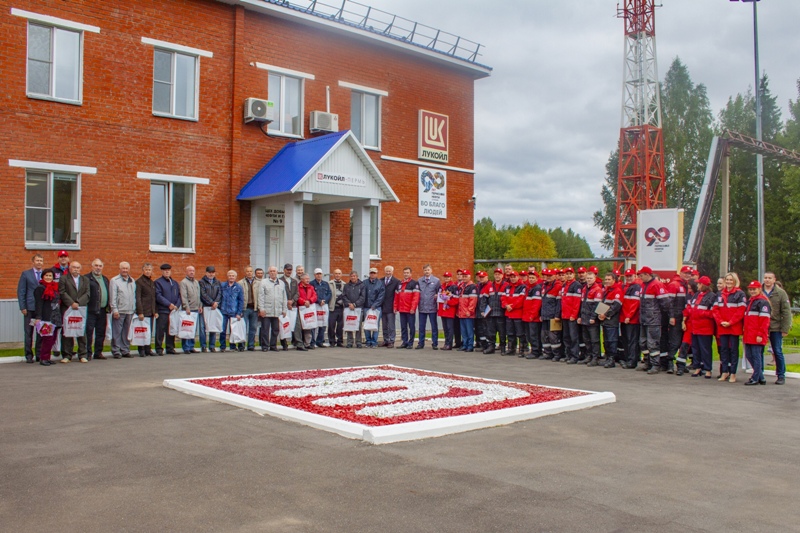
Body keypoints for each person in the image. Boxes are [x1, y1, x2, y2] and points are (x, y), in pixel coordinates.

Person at [712, 272, 745, 383]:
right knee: (724, 350)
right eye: (727, 280)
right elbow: (715, 309)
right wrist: (721, 322)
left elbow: (741, 311)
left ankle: (733, 373)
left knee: (734, 350)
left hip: (734, 327)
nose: (729, 282)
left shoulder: (740, 294)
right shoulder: (720, 294)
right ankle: (724, 371)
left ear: (735, 281)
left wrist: (730, 322)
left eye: (731, 280)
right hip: (722, 327)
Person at [636, 266, 669, 374]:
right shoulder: (643, 285)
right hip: (644, 318)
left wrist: (662, 317)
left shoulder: (657, 285)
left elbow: (665, 303)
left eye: (641, 275)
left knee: (653, 343)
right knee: (643, 342)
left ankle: (655, 364)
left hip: (653, 319)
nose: (640, 277)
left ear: (647, 274)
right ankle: (647, 362)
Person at [58, 261, 90, 363]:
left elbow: (87, 293)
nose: (75, 269)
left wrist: (78, 302)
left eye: (77, 267)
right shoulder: (64, 278)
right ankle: (67, 355)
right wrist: (71, 303)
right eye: (73, 267)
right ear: (70, 268)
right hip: (68, 308)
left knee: (81, 330)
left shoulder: (85, 279)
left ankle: (82, 354)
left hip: (80, 309)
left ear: (80, 269)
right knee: (68, 330)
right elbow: (62, 292)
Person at [763, 272, 792, 385]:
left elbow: (786, 312)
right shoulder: (758, 291)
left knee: (777, 351)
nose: (767, 280)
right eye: (765, 278)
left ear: (774, 279)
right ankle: (758, 374)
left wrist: (785, 328)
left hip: (776, 327)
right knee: (758, 351)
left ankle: (781, 375)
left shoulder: (781, 293)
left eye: (770, 278)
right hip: (762, 326)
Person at [662, 266, 691, 373]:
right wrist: (672, 316)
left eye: (689, 273)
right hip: (677, 317)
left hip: (686, 318)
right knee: (674, 342)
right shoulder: (674, 285)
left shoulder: (688, 285)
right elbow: (670, 303)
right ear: (681, 273)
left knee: (684, 343)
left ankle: (681, 365)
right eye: (686, 273)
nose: (688, 275)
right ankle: (670, 363)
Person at [686, 276, 716, 379]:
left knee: (705, 349)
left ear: (703, 285)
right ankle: (697, 367)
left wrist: (701, 313)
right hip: (695, 326)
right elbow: (690, 307)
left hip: (705, 328)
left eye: (699, 284)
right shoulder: (696, 295)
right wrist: (691, 312)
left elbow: (713, 312)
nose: (697, 285)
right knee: (696, 348)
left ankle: (708, 369)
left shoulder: (712, 296)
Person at [17, 254, 44, 363]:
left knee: (40, 332)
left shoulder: (45, 274)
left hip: (41, 308)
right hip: (29, 308)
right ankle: (28, 355)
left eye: (41, 261)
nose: (39, 262)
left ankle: (39, 354)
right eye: (37, 260)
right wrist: (22, 307)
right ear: (33, 262)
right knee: (28, 332)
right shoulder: (26, 274)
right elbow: (21, 291)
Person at [743, 280, 771, 386]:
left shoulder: (762, 302)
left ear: (759, 289)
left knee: (756, 356)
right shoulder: (751, 301)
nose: (752, 291)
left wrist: (760, 334)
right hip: (749, 333)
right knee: (749, 355)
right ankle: (761, 377)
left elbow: (765, 321)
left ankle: (755, 378)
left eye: (754, 289)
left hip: (757, 334)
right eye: (750, 289)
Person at [33, 269, 62, 366]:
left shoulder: (55, 287)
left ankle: (48, 357)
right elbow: (39, 304)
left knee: (53, 339)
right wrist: (38, 317)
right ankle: (43, 358)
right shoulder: (40, 288)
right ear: (43, 277)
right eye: (47, 275)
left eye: (50, 276)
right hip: (46, 316)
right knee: (47, 339)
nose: (49, 277)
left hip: (55, 316)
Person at [109, 261, 136, 359]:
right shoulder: (114, 280)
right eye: (123, 268)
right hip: (119, 311)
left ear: (129, 269)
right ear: (119, 269)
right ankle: (116, 350)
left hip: (130, 310)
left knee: (126, 332)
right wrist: (114, 309)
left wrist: (134, 308)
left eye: (126, 268)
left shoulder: (132, 280)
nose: (125, 270)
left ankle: (125, 350)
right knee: (117, 332)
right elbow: (113, 296)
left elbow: (133, 296)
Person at [258, 266, 288, 351]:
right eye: (270, 271)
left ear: (277, 272)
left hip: (277, 310)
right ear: (268, 273)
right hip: (267, 310)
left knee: (275, 329)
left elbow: (284, 297)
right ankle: (265, 346)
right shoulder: (264, 282)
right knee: (265, 329)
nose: (272, 272)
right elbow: (261, 296)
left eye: (274, 271)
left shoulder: (281, 283)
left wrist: (284, 309)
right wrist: (261, 309)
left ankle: (273, 345)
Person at [85, 259, 110, 360]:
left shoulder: (105, 279)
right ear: (92, 266)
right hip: (90, 310)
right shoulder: (86, 278)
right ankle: (87, 353)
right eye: (96, 265)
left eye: (100, 266)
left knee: (101, 332)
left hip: (103, 310)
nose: (98, 268)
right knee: (89, 332)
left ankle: (98, 352)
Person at [578, 269, 603, 366]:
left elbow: (597, 305)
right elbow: (582, 304)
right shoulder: (584, 289)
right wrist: (580, 316)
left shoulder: (597, 289)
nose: (589, 279)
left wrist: (593, 317)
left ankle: (595, 358)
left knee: (594, 340)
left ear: (595, 278)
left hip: (592, 320)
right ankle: (589, 356)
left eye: (590, 278)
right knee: (586, 339)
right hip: (584, 318)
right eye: (587, 278)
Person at [154, 264, 181, 355]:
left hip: (173, 311)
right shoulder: (158, 282)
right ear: (162, 271)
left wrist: (177, 305)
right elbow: (158, 296)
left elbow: (179, 296)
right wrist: (168, 304)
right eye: (165, 270)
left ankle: (170, 348)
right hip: (163, 310)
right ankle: (159, 348)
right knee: (160, 330)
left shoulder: (175, 283)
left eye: (168, 270)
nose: (167, 272)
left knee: (171, 330)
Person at [598, 272, 623, 368]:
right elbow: (603, 304)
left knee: (611, 340)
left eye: (609, 279)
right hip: (605, 320)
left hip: (612, 320)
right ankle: (608, 358)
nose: (607, 281)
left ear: (614, 280)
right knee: (606, 340)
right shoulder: (607, 290)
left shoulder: (617, 291)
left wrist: (605, 314)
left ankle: (611, 359)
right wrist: (600, 314)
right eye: (606, 279)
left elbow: (616, 306)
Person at [619, 269, 642, 369]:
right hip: (624, 318)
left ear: (634, 276)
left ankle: (632, 361)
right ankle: (629, 358)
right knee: (626, 340)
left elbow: (635, 304)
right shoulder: (625, 287)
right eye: (627, 276)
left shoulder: (636, 287)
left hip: (632, 319)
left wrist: (629, 316)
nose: (628, 278)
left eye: (630, 276)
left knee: (632, 340)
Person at [482, 268, 507, 355]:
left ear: (502, 275)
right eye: (496, 274)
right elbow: (484, 299)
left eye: (499, 274)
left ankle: (503, 348)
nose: (497, 276)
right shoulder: (489, 286)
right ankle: (491, 347)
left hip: (501, 313)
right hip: (491, 313)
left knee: (502, 332)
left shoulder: (506, 285)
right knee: (491, 332)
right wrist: (483, 310)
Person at [134, 263, 157, 357]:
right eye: (146, 269)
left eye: (149, 270)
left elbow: (153, 298)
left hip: (150, 311)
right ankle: (141, 349)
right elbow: (138, 298)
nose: (148, 271)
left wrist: (155, 311)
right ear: (143, 270)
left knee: (149, 331)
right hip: (143, 311)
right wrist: (140, 312)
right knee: (142, 331)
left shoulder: (152, 282)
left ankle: (148, 348)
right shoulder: (139, 282)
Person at [560, 267, 583, 364]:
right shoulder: (564, 285)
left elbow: (577, 302)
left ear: (573, 275)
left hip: (571, 316)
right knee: (566, 336)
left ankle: (574, 356)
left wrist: (574, 315)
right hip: (565, 315)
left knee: (573, 337)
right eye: (567, 273)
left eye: (570, 273)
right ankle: (568, 355)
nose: (568, 275)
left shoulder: (576, 285)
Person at [416, 265, 441, 350]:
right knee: (421, 326)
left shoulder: (436, 281)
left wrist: (437, 296)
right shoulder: (419, 280)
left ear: (431, 271)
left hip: (432, 307)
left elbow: (439, 292)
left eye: (428, 270)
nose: (427, 271)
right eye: (425, 270)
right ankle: (421, 343)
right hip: (422, 307)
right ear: (423, 271)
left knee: (434, 326)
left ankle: (435, 343)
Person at [541, 269, 563, 361]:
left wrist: (557, 315)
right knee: (544, 335)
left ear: (555, 276)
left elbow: (559, 303)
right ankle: (548, 353)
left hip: (553, 316)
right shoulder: (545, 286)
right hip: (545, 314)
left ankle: (557, 354)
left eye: (550, 275)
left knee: (553, 336)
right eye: (547, 275)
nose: (548, 277)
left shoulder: (558, 286)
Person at [501, 271, 525, 356]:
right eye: (511, 277)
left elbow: (521, 299)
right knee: (510, 332)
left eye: (514, 276)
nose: (512, 278)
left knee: (520, 333)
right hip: (509, 313)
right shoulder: (507, 287)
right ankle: (511, 348)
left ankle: (522, 349)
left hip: (518, 313)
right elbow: (503, 298)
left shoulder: (522, 287)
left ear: (518, 277)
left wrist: (512, 306)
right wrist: (506, 305)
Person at [395, 267, 420, 349]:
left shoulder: (414, 283)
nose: (406, 274)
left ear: (410, 274)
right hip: (402, 309)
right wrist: (395, 307)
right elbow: (396, 297)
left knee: (411, 326)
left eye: (407, 273)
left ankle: (411, 343)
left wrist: (413, 308)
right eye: (405, 272)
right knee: (403, 327)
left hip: (410, 310)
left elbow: (416, 297)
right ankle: (404, 342)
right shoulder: (400, 283)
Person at [220, 270, 245, 352]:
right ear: (227, 276)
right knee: (222, 330)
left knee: (233, 330)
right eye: (230, 275)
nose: (231, 277)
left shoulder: (238, 287)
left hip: (234, 312)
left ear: (235, 277)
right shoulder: (222, 285)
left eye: (233, 276)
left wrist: (239, 312)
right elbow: (219, 297)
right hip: (223, 311)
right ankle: (222, 346)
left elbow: (241, 301)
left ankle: (232, 346)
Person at [237, 266, 261, 351]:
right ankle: (241, 345)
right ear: (245, 272)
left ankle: (251, 345)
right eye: (247, 271)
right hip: (245, 308)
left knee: (253, 328)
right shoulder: (240, 283)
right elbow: (238, 297)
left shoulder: (259, 283)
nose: (249, 273)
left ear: (253, 272)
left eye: (250, 271)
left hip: (254, 309)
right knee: (243, 327)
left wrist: (259, 308)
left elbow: (260, 296)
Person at [199, 266, 222, 352]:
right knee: (203, 327)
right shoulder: (201, 282)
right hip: (205, 306)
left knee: (213, 327)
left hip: (214, 307)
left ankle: (212, 346)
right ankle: (203, 346)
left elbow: (220, 293)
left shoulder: (217, 282)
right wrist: (211, 302)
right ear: (206, 273)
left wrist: (216, 302)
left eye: (212, 272)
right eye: (209, 272)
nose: (211, 274)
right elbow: (203, 294)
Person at [179, 266, 202, 354]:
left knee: (193, 329)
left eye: (193, 270)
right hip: (188, 310)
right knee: (186, 328)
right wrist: (186, 307)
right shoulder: (183, 282)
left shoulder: (196, 282)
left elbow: (199, 295)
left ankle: (191, 346)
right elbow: (183, 296)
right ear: (186, 272)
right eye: (190, 271)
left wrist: (200, 306)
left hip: (196, 309)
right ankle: (186, 347)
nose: (192, 272)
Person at [521, 269, 543, 360]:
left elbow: (536, 304)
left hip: (533, 317)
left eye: (533, 278)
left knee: (534, 335)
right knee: (530, 335)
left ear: (537, 278)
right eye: (529, 277)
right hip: (527, 316)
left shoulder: (537, 288)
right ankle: (534, 350)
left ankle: (536, 351)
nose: (531, 279)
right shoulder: (528, 288)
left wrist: (532, 315)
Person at [343, 270, 366, 348]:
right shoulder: (346, 286)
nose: (353, 277)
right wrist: (349, 304)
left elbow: (363, 297)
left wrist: (355, 304)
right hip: (349, 308)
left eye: (354, 276)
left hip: (358, 308)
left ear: (357, 277)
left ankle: (358, 342)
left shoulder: (362, 285)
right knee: (349, 324)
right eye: (351, 276)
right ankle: (349, 342)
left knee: (358, 326)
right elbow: (344, 296)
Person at [364, 268, 385, 348]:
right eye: (371, 273)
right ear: (369, 273)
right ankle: (368, 341)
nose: (372, 274)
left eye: (374, 273)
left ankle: (374, 342)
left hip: (376, 308)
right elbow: (362, 294)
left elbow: (381, 296)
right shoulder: (365, 282)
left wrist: (374, 305)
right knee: (367, 325)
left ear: (377, 274)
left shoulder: (380, 283)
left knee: (375, 325)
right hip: (366, 307)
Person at [296, 273, 318, 350]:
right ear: (302, 279)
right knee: (300, 327)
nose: (308, 280)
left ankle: (307, 343)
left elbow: (315, 296)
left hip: (309, 308)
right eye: (306, 279)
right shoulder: (298, 287)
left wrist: (309, 301)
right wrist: (304, 302)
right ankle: (299, 343)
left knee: (308, 326)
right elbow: (297, 297)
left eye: (308, 278)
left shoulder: (311, 287)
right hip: (301, 309)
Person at [457, 269, 478, 352]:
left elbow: (473, 300)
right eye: (463, 276)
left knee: (469, 331)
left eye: (466, 276)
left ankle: (470, 345)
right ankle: (464, 345)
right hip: (462, 312)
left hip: (468, 313)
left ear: (469, 276)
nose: (464, 278)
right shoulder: (462, 286)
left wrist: (470, 311)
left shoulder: (472, 287)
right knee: (463, 331)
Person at [310, 268, 331, 348]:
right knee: (314, 324)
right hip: (315, 305)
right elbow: (312, 294)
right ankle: (313, 341)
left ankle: (320, 341)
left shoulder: (326, 284)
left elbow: (329, 293)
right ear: (314, 275)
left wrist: (324, 301)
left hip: (324, 306)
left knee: (323, 323)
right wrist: (319, 301)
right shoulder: (312, 284)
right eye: (317, 274)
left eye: (320, 274)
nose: (319, 275)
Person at [280, 263, 300, 350]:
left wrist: (292, 301)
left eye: (290, 270)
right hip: (283, 306)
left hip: (293, 306)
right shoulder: (280, 280)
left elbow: (297, 293)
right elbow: (279, 293)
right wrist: (287, 301)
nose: (289, 271)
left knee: (295, 325)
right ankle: (284, 343)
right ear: (284, 270)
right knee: (284, 325)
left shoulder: (294, 281)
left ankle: (297, 342)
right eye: (287, 270)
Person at [381, 266, 400, 348]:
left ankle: (391, 340)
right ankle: (386, 340)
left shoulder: (396, 282)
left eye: (389, 271)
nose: (388, 273)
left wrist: (396, 307)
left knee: (391, 326)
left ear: (392, 272)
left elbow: (397, 295)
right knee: (384, 325)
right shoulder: (380, 280)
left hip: (391, 307)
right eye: (387, 271)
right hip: (382, 306)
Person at [438, 272, 458, 350]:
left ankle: (449, 344)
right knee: (445, 328)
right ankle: (446, 343)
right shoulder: (442, 286)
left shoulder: (454, 287)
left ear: (450, 278)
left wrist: (448, 302)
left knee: (450, 328)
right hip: (443, 310)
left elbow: (456, 300)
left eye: (448, 277)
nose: (446, 278)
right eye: (445, 277)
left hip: (450, 310)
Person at [327, 268, 345, 348]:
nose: (337, 275)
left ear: (341, 275)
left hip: (341, 308)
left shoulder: (344, 284)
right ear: (333, 274)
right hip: (332, 307)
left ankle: (340, 341)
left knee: (340, 326)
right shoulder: (329, 283)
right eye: (336, 273)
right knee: (331, 325)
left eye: (339, 273)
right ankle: (332, 341)